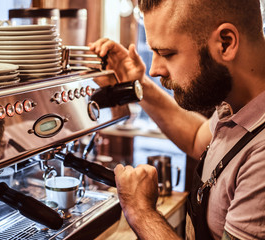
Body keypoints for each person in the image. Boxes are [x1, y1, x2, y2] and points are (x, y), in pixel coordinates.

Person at [90, 0, 265, 239]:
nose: (154, 69)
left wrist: (141, 212)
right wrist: (138, 86)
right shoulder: (237, 103)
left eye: (167, 54)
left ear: (226, 43)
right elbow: (197, 138)